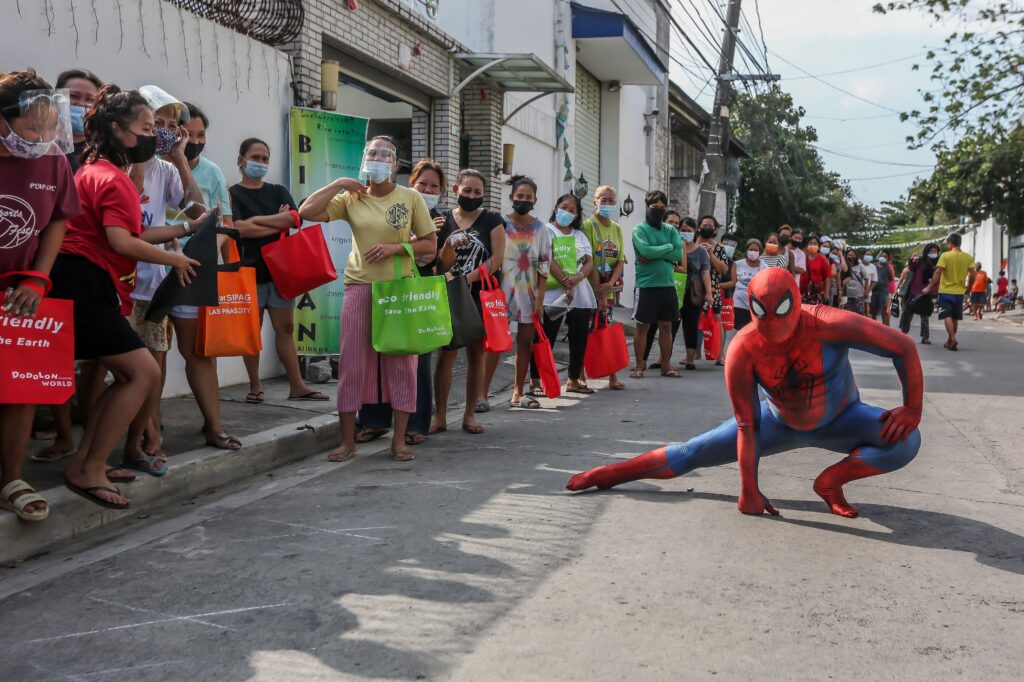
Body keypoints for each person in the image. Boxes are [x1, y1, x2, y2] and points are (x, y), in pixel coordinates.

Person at [567, 268, 923, 521]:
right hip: (778, 421)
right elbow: (747, 424)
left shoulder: (830, 323)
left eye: (782, 315)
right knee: (691, 452)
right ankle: (609, 474)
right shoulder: (743, 348)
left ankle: (831, 481)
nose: (774, 330)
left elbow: (903, 346)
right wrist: (748, 488)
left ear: (796, 303)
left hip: (844, 418)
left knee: (906, 439)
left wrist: (912, 408)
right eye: (763, 319)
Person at [50, 84, 201, 509]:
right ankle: (88, 466)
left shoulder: (91, 169)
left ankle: (90, 460)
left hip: (85, 283)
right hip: (85, 283)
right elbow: (122, 241)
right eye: (148, 127)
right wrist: (177, 261)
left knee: (128, 374)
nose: (156, 136)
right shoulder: (112, 179)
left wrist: (185, 231)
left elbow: (130, 234)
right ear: (117, 129)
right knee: (143, 373)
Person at [299, 135, 437, 461]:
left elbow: (429, 244)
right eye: (372, 153)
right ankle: (347, 442)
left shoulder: (410, 197)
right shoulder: (351, 197)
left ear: (396, 164)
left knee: (402, 366)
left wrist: (396, 248)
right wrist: (339, 183)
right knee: (352, 366)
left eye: (385, 154)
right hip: (359, 288)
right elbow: (306, 211)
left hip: (398, 291)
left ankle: (398, 441)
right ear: (364, 160)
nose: (377, 158)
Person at [0, 71, 82, 522]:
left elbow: (56, 220)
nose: (43, 137)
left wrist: (37, 278)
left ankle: (11, 477)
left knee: (20, 385)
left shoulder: (52, 160)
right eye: (33, 127)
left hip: (21, 288)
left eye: (51, 127)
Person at [125, 85, 206, 468]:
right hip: (119, 281)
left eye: (172, 126)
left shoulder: (167, 167)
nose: (164, 131)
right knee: (107, 370)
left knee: (155, 364)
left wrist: (179, 157)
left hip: (152, 284)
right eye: (156, 124)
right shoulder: (120, 163)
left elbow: (197, 213)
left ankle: (149, 432)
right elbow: (129, 221)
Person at [34, 69, 104, 464]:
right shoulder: (41, 147)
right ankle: (63, 436)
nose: (80, 106)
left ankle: (91, 428)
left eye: (88, 100)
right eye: (72, 98)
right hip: (44, 264)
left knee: (98, 356)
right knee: (51, 353)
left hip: (91, 268)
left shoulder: (103, 154)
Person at [164, 101, 241, 452]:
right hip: (148, 266)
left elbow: (222, 221)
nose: (194, 140)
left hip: (192, 270)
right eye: (186, 133)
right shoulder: (147, 164)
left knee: (196, 350)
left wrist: (207, 251)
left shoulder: (210, 172)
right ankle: (150, 429)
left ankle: (213, 424)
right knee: (153, 351)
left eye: (200, 135)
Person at [230, 137, 328, 405]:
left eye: (264, 158)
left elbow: (295, 218)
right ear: (241, 160)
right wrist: (276, 221)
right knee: (253, 331)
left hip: (281, 272)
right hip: (249, 271)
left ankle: (297, 385)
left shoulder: (277, 190)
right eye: (255, 157)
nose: (260, 163)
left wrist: (256, 221)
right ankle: (255, 386)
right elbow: (238, 228)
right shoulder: (232, 193)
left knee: (285, 328)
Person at [358, 159, 448, 442]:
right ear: (412, 184)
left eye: (434, 186)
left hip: (417, 292)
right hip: (384, 287)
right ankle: (374, 420)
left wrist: (432, 242)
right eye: (423, 184)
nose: (427, 189)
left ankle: (415, 425)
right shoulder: (396, 208)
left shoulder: (443, 221)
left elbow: (435, 259)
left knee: (416, 359)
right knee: (378, 352)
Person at [434, 169, 506, 421]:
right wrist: (448, 247)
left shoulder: (492, 219)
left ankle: (469, 415)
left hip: (479, 296)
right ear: (455, 190)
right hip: (451, 296)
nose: (472, 195)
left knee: (476, 355)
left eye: (477, 192)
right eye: (467, 190)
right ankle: (440, 417)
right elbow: (440, 264)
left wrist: (469, 279)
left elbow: (497, 258)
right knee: (447, 355)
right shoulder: (442, 220)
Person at [479, 175, 551, 409]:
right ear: (511, 197)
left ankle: (518, 393)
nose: (523, 200)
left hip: (528, 295)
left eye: (528, 197)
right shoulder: (499, 224)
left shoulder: (541, 229)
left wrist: (540, 300)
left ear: (535, 200)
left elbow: (544, 266)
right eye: (519, 196)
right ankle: (482, 395)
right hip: (500, 294)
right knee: (493, 344)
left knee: (525, 343)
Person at [529, 193, 596, 395]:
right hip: (551, 293)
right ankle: (535, 381)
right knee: (544, 336)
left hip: (579, 293)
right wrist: (565, 281)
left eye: (572, 210)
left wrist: (578, 278)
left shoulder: (579, 235)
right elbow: (546, 257)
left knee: (578, 336)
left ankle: (573, 379)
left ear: (576, 215)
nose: (567, 212)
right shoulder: (545, 230)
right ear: (556, 208)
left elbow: (589, 261)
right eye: (564, 207)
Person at [630, 191, 682, 378]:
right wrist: (668, 248)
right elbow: (644, 250)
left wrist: (656, 253)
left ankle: (666, 365)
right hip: (646, 285)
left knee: (666, 327)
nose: (658, 211)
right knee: (642, 327)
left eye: (662, 208)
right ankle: (638, 366)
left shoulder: (671, 230)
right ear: (646, 207)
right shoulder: (639, 230)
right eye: (654, 208)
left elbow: (678, 255)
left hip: (667, 285)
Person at [581, 185, 627, 390]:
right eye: (603, 199)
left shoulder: (616, 228)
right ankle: (580, 374)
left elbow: (619, 260)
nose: (607, 203)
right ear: (595, 202)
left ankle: (612, 375)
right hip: (589, 288)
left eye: (611, 200)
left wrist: (609, 284)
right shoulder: (588, 226)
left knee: (606, 330)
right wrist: (598, 288)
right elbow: (587, 259)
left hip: (607, 287)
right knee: (586, 330)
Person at [921, 232, 975, 351]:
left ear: (950, 244)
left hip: (946, 292)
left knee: (947, 316)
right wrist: (969, 289)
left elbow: (937, 272)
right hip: (959, 293)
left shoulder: (945, 256)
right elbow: (972, 275)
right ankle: (950, 341)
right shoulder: (968, 257)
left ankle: (953, 338)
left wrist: (929, 287)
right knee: (955, 317)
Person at [678, 217, 713, 370]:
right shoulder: (674, 247)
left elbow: (705, 273)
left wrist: (709, 293)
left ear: (695, 232)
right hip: (675, 291)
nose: (686, 234)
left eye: (689, 231)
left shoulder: (701, 251)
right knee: (669, 326)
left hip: (694, 294)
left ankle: (690, 358)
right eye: (683, 231)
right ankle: (663, 358)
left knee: (691, 326)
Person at [696, 215, 730, 367]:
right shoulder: (691, 245)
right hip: (694, 289)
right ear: (698, 227)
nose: (707, 228)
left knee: (716, 320)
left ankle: (720, 354)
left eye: (710, 226)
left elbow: (723, 269)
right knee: (694, 320)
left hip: (714, 289)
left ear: (715, 230)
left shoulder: (719, 248)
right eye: (704, 225)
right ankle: (693, 352)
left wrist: (710, 254)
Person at [56, 68, 102, 171]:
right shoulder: (41, 146)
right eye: (73, 96)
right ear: (57, 98)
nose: (81, 103)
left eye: (90, 99)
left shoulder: (102, 152)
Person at [897, 243, 939, 344]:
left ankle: (925, 337)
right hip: (914, 291)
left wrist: (933, 291)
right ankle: (903, 334)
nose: (933, 253)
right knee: (907, 313)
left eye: (935, 251)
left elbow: (937, 278)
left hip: (926, 292)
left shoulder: (938, 263)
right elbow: (911, 268)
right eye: (931, 251)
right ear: (926, 251)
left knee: (925, 315)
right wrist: (912, 259)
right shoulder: (919, 260)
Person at [732, 238, 766, 331]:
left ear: (760, 252)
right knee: (737, 330)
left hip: (754, 304)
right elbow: (732, 282)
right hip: (738, 303)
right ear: (746, 250)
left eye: (756, 250)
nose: (753, 252)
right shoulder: (737, 264)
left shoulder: (764, 267)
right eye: (751, 249)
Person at [800, 234, 832, 305]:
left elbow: (827, 277)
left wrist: (826, 293)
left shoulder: (821, 259)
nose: (813, 245)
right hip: (802, 293)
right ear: (807, 245)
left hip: (816, 293)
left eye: (815, 243)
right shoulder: (802, 258)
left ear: (818, 246)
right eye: (811, 243)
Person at [870, 249, 894, 325]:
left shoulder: (888, 267)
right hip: (873, 291)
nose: (883, 257)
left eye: (885, 257)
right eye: (882, 256)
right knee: (873, 310)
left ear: (887, 258)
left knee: (884, 310)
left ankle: (886, 328)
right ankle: (873, 327)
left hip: (883, 291)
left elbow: (891, 278)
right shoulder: (874, 265)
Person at [841, 248, 867, 315]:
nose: (851, 257)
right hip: (847, 295)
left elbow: (866, 278)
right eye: (849, 255)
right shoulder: (843, 266)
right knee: (848, 315)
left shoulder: (860, 266)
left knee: (860, 315)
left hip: (858, 295)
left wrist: (866, 290)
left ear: (856, 256)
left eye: (853, 255)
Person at [859, 249, 878, 315]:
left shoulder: (873, 267)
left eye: (870, 255)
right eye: (867, 254)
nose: (869, 256)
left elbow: (873, 281)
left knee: (866, 309)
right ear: (863, 255)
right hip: (856, 291)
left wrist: (867, 291)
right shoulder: (858, 264)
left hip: (867, 292)